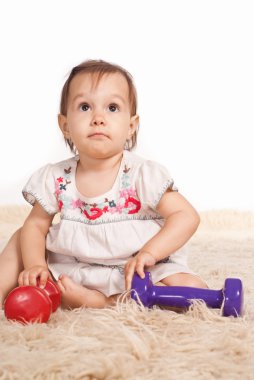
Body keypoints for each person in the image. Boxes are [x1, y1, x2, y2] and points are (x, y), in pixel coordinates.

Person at [0, 59, 207, 310]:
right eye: (85, 106)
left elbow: (186, 216)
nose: (98, 118)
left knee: (194, 290)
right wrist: (36, 265)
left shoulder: (142, 174)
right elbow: (35, 224)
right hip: (73, 268)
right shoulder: (56, 177)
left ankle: (100, 302)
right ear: (65, 125)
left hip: (136, 268)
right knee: (21, 238)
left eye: (112, 107)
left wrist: (150, 253)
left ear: (131, 126)